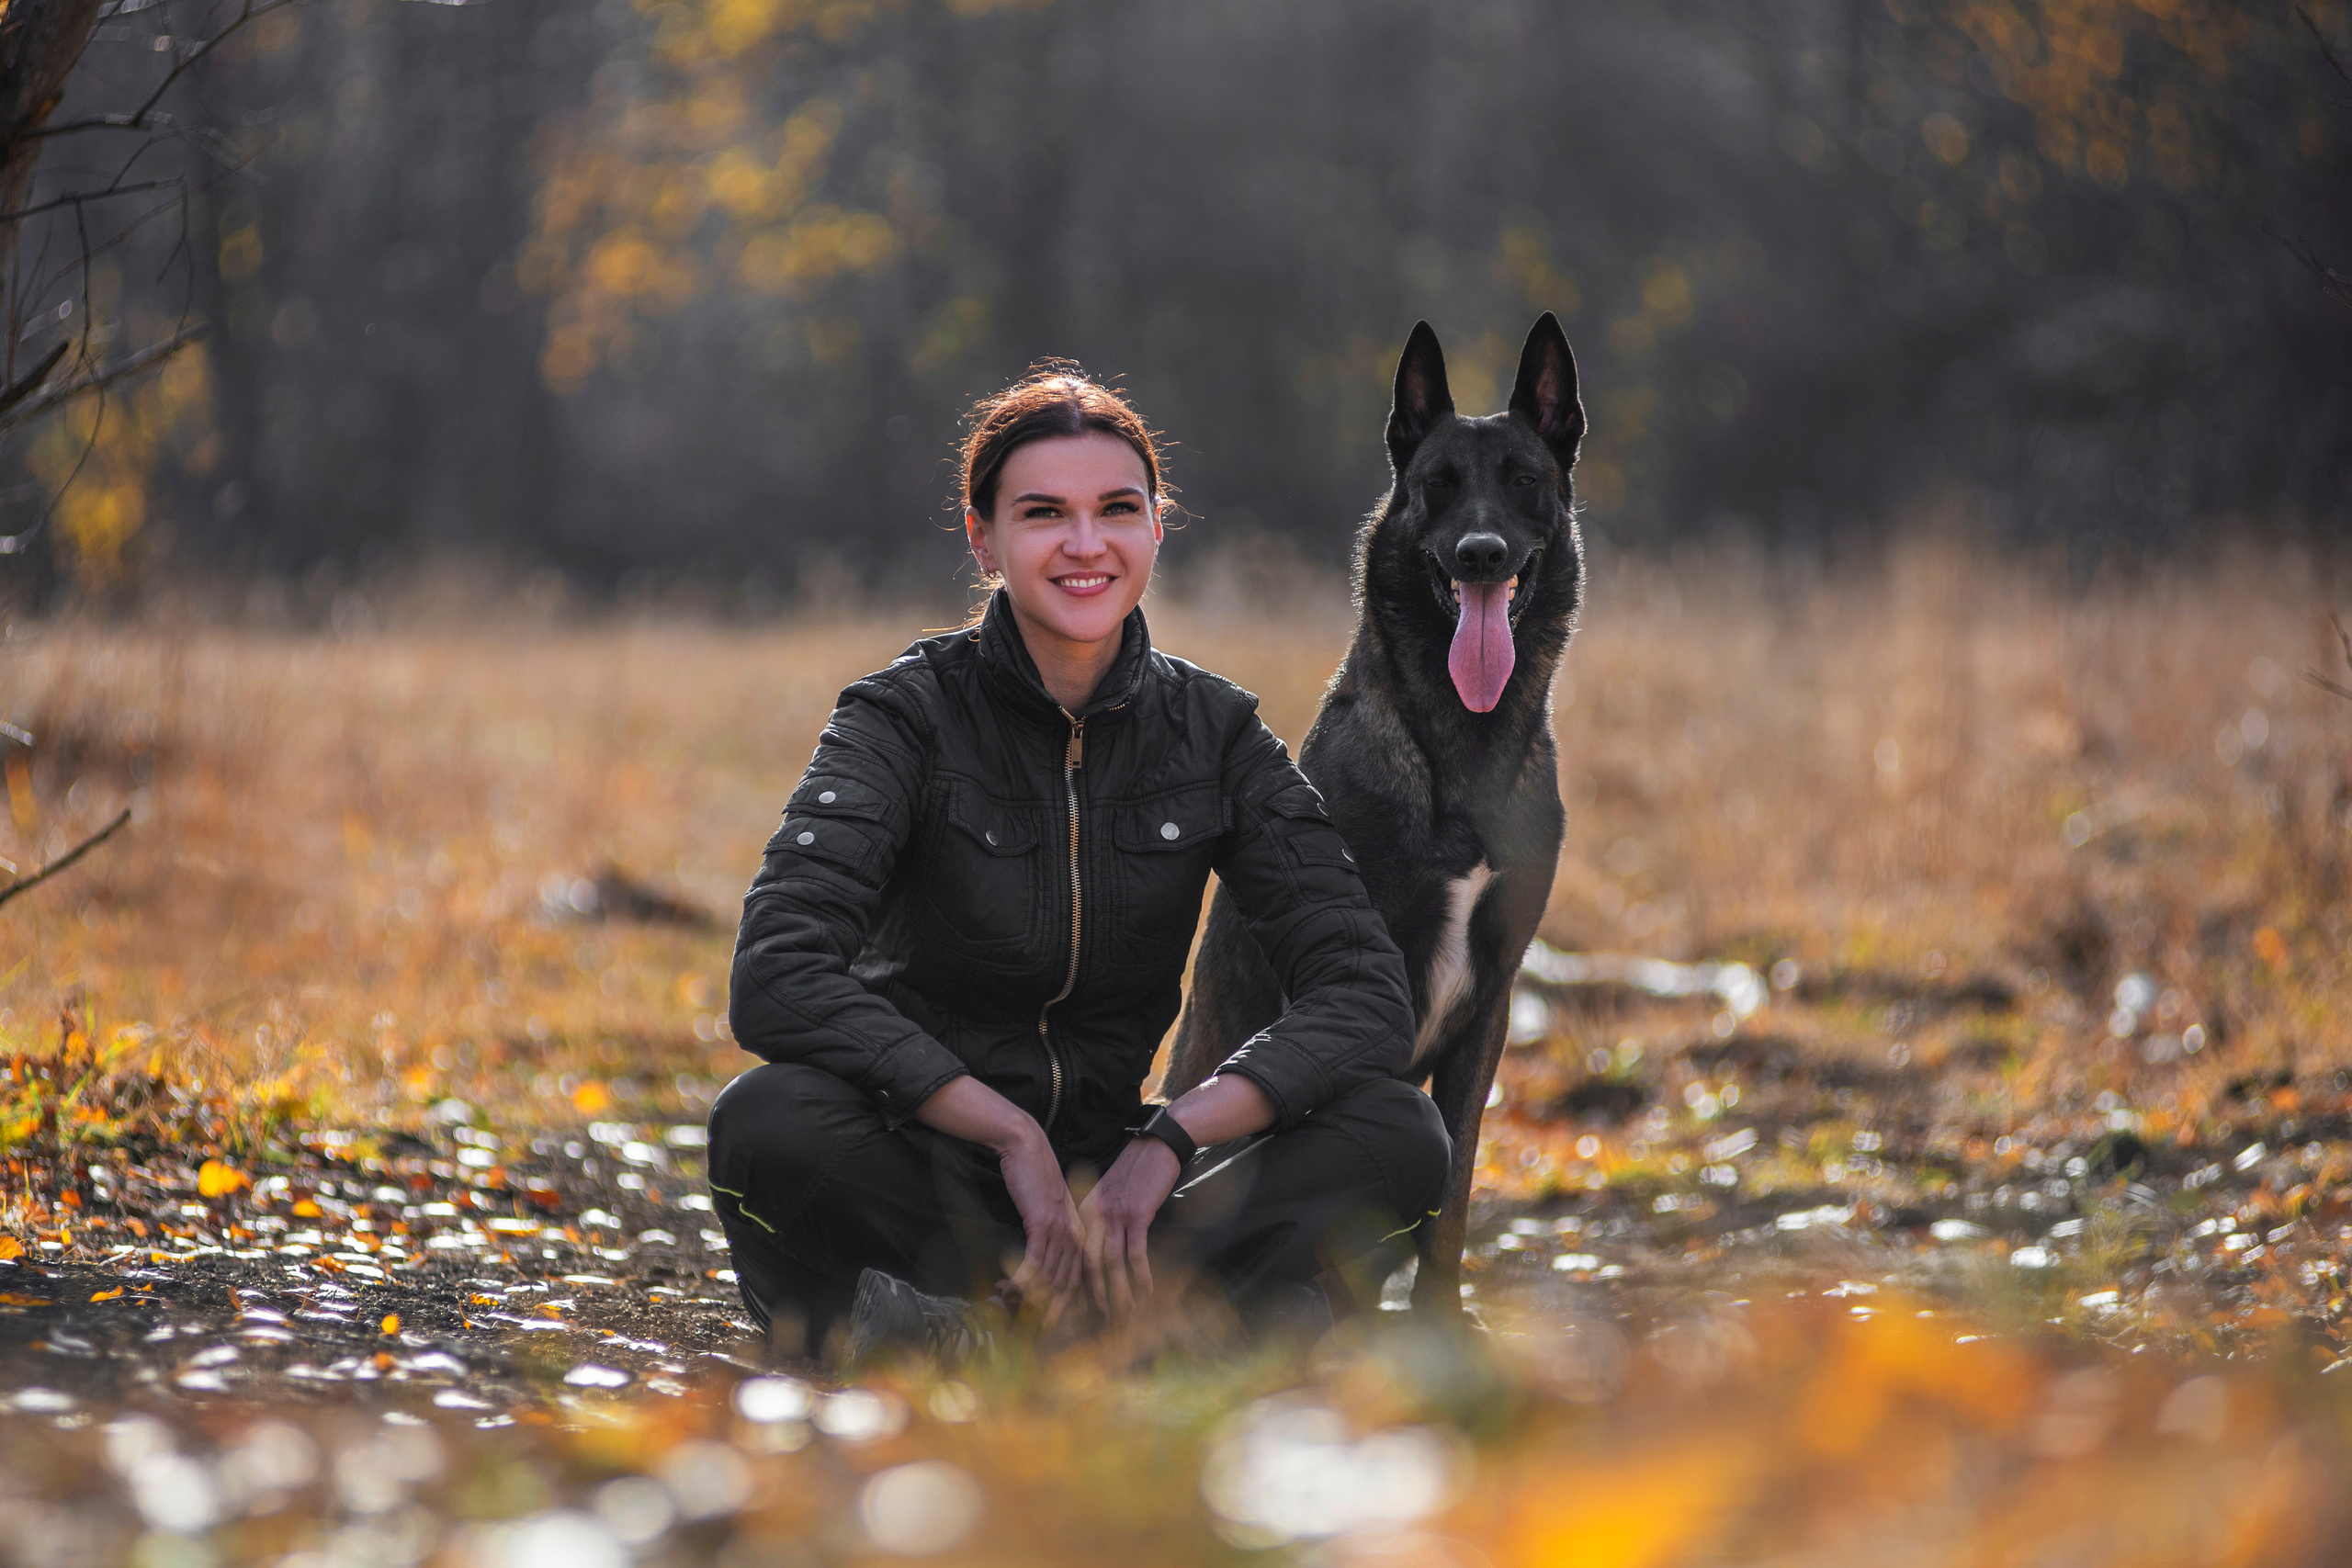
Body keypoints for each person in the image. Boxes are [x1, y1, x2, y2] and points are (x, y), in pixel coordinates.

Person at [706, 362, 1449, 1360]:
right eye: (1044, 512)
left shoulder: (1216, 733)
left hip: (1120, 1184)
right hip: (932, 1164)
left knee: (1399, 1134)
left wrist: (1170, 1140)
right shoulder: (899, 718)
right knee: (766, 1121)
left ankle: (1078, 1321)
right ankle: (1027, 1319)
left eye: (1117, 509)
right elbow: (777, 977)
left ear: (1154, 525)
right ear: (984, 537)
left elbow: (1362, 992)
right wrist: (1005, 1134)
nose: (1085, 544)